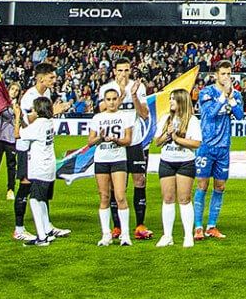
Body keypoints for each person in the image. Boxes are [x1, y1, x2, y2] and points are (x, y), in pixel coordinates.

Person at [97, 60, 153, 240]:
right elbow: (101, 110)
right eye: (120, 70)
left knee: (140, 180)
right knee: (115, 185)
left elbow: (144, 114)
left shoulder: (138, 86)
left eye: (126, 70)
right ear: (114, 71)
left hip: (134, 142)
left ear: (130, 71)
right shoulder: (108, 88)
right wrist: (120, 96)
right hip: (114, 143)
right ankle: (117, 227)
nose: (123, 73)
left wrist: (134, 96)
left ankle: (140, 225)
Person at [191, 61, 243, 241]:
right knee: (202, 185)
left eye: (229, 74)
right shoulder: (206, 93)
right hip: (206, 145)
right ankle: (198, 226)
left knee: (220, 187)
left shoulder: (235, 94)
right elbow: (210, 114)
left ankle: (211, 226)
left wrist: (231, 98)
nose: (227, 77)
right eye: (223, 74)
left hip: (223, 147)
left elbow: (239, 115)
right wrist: (223, 96)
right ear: (216, 75)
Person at [81, 88, 136, 246]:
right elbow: (90, 142)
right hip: (101, 159)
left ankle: (125, 234)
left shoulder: (125, 117)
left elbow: (128, 140)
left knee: (120, 196)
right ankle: (106, 234)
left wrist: (116, 140)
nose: (111, 102)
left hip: (118, 159)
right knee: (104, 197)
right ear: (104, 101)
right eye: (108, 99)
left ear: (119, 100)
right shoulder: (98, 118)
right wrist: (101, 137)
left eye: (114, 99)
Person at [14, 87, 65, 247]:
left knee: (35, 201)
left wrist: (17, 117)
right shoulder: (48, 122)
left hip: (39, 168)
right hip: (48, 167)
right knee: (42, 200)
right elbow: (27, 129)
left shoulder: (39, 124)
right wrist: (23, 119)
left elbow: (18, 134)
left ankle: (41, 237)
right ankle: (46, 233)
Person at [153, 88, 201, 248]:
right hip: (166, 161)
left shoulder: (192, 120)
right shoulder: (165, 118)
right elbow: (157, 142)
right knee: (167, 199)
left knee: (184, 199)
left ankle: (188, 236)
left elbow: (196, 143)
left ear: (182, 101)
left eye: (174, 99)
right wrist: (168, 135)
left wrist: (176, 138)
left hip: (185, 162)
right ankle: (167, 235)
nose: (171, 101)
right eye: (170, 99)